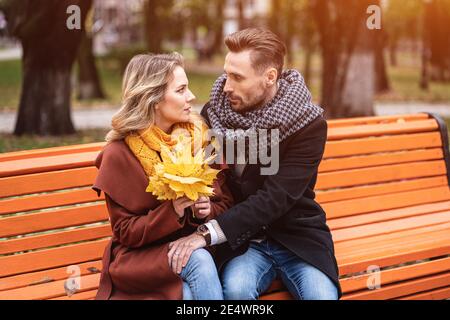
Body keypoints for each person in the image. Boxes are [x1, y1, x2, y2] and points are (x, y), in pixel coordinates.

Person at [169, 28, 342, 300]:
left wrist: (205, 234)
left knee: (321, 296)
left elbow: (276, 198)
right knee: (236, 292)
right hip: (243, 242)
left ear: (269, 77)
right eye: (227, 74)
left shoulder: (307, 125)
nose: (226, 86)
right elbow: (213, 183)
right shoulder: (214, 115)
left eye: (238, 77)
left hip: (296, 238)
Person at [92, 52, 233, 300]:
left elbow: (226, 203)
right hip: (140, 258)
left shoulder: (201, 137)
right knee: (197, 261)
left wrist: (205, 210)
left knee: (188, 293)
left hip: (194, 245)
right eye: (181, 90)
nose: (191, 96)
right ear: (154, 99)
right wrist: (173, 211)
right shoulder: (119, 154)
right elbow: (125, 232)